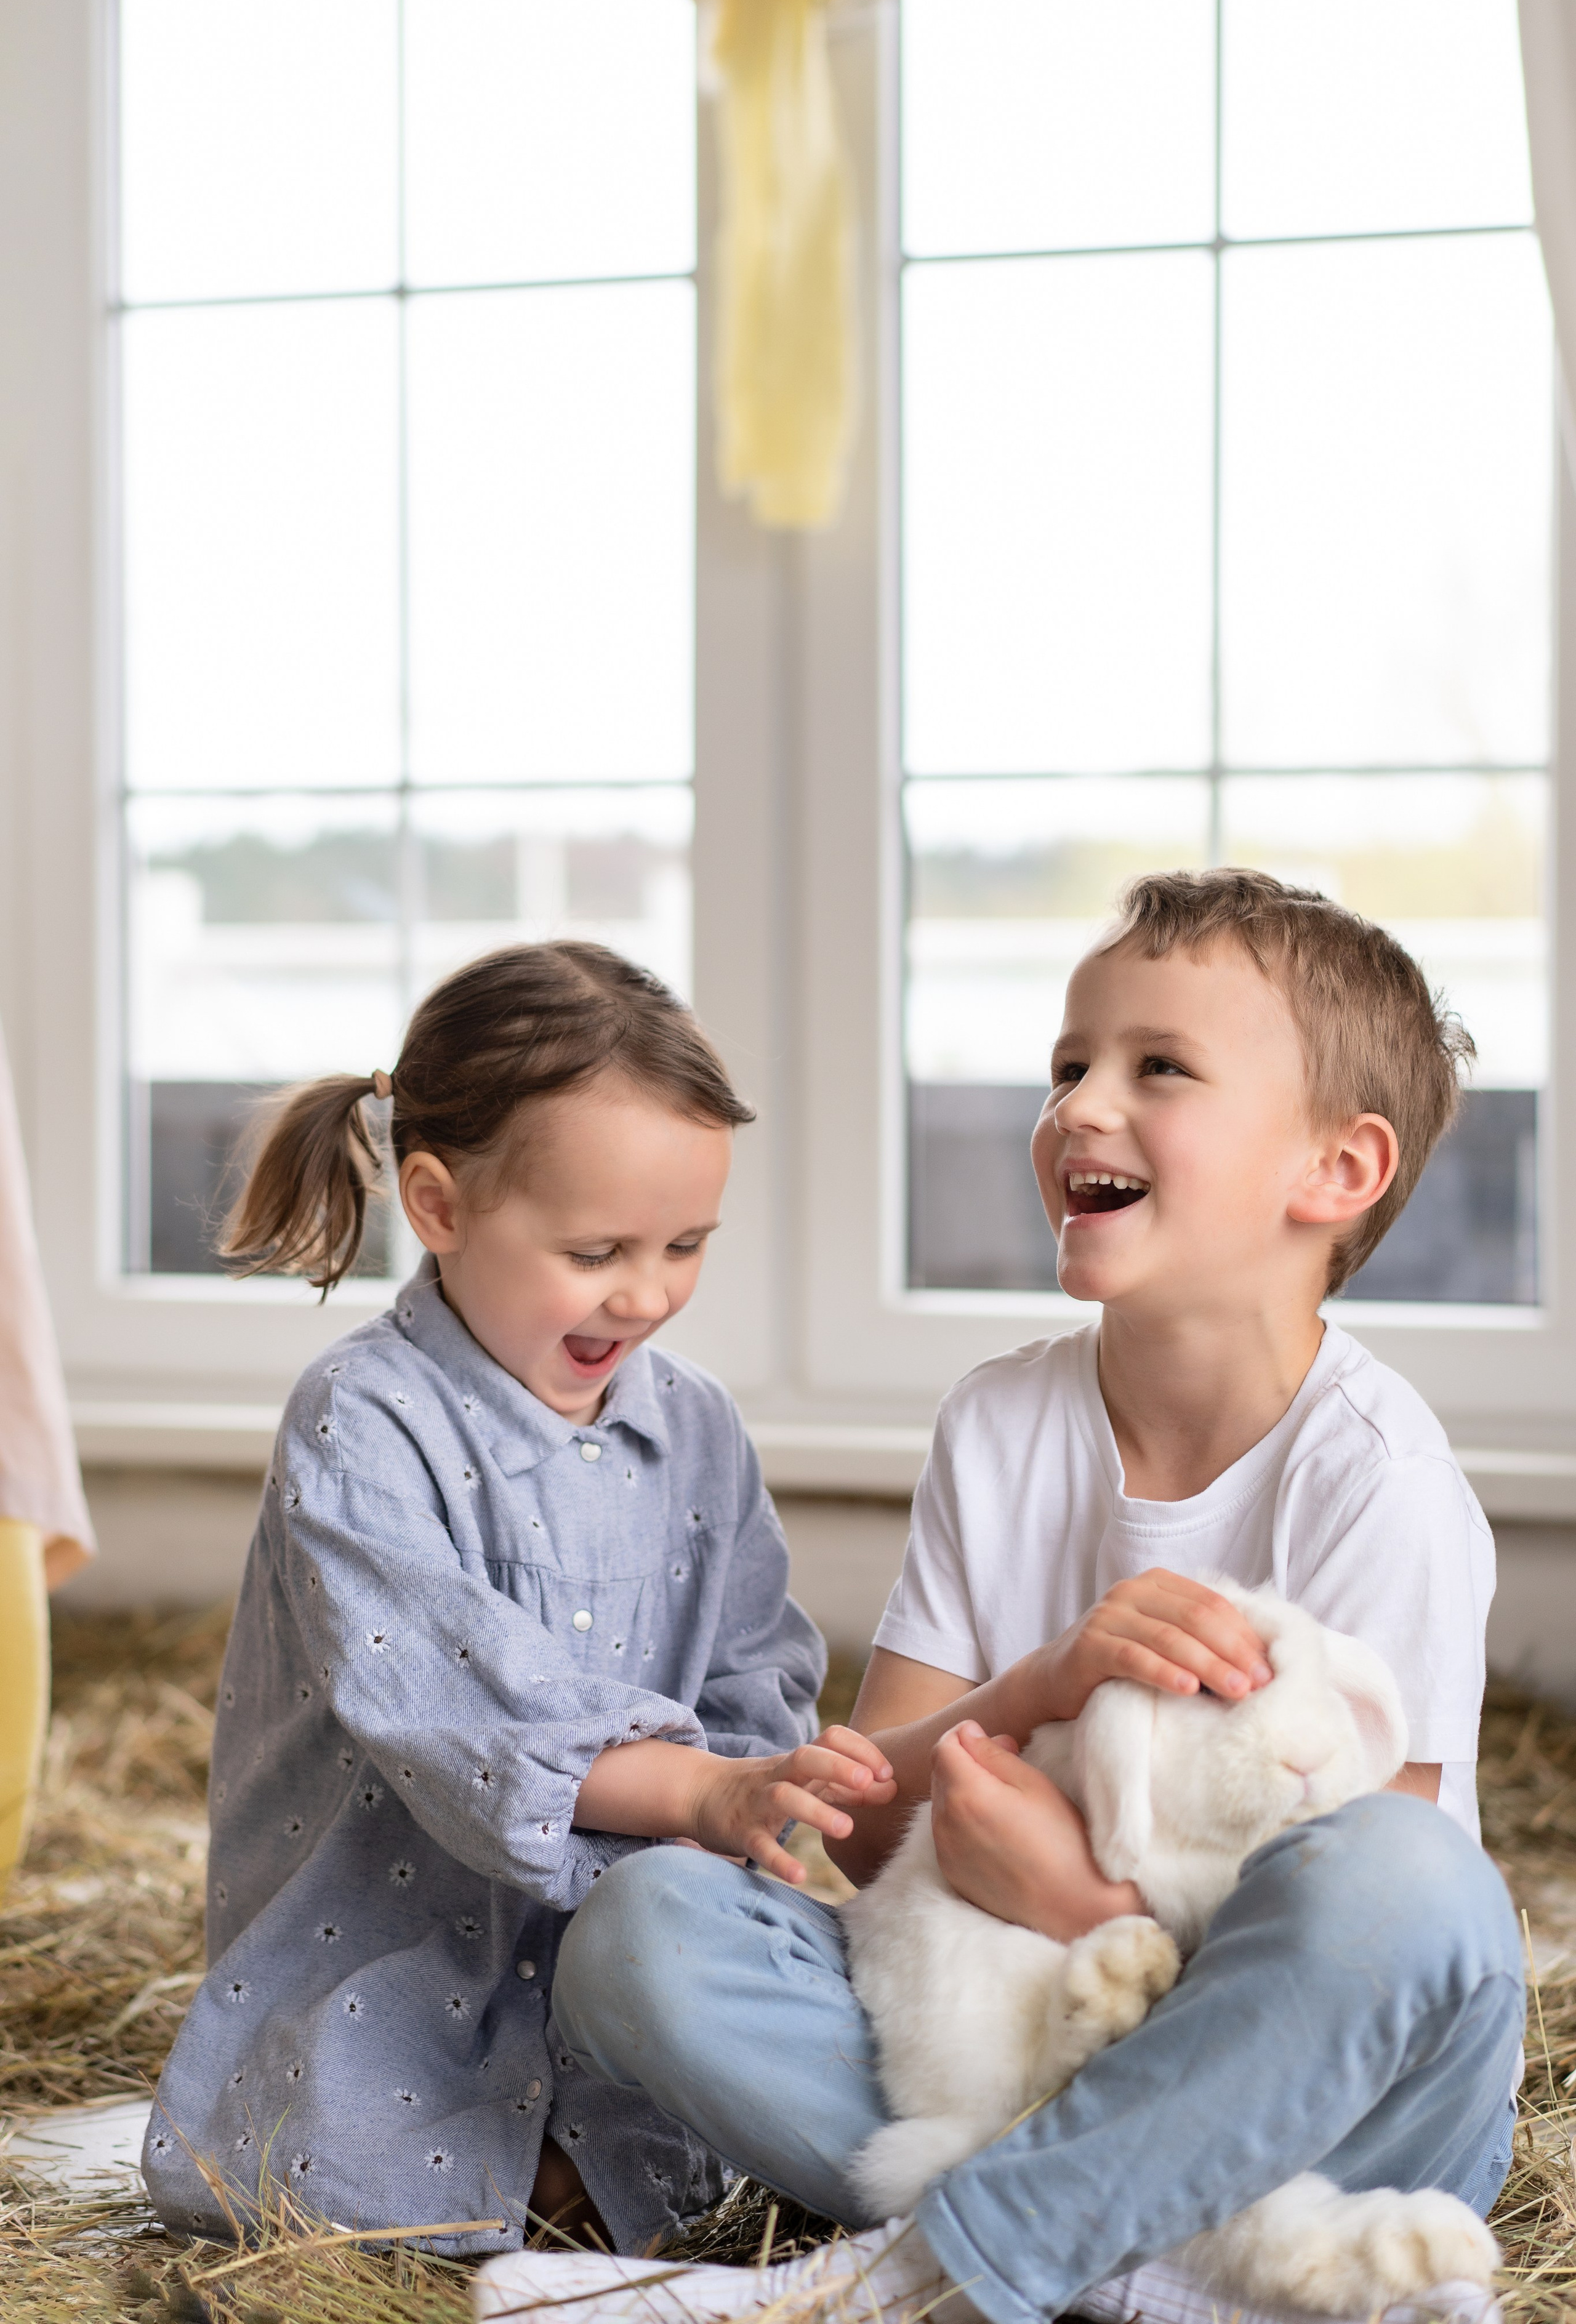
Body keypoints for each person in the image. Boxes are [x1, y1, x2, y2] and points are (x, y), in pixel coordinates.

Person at [503, 870, 1523, 2324]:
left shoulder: (1380, 1481)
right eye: (1068, 1065)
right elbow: (862, 1823)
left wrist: (1065, 1890)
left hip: (1338, 2132)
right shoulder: (999, 1424)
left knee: (1417, 1886)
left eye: (1155, 1067)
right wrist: (1041, 1684)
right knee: (646, 1927)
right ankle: (1172, 2280)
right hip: (1000, 2045)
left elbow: (1360, 1936)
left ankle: (925, 2275)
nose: (1077, 1106)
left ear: (1335, 1172)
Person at [141, 940, 896, 2257]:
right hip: (395, 1935)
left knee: (744, 2039)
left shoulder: (698, 1429)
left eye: (684, 1246)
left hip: (625, 1932)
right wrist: (701, 1790)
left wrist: (748, 1793)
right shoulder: (362, 1420)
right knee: (374, 2159)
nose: (647, 1293)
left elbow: (753, 1674)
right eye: (596, 1248)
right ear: (436, 1204)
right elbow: (451, 1707)